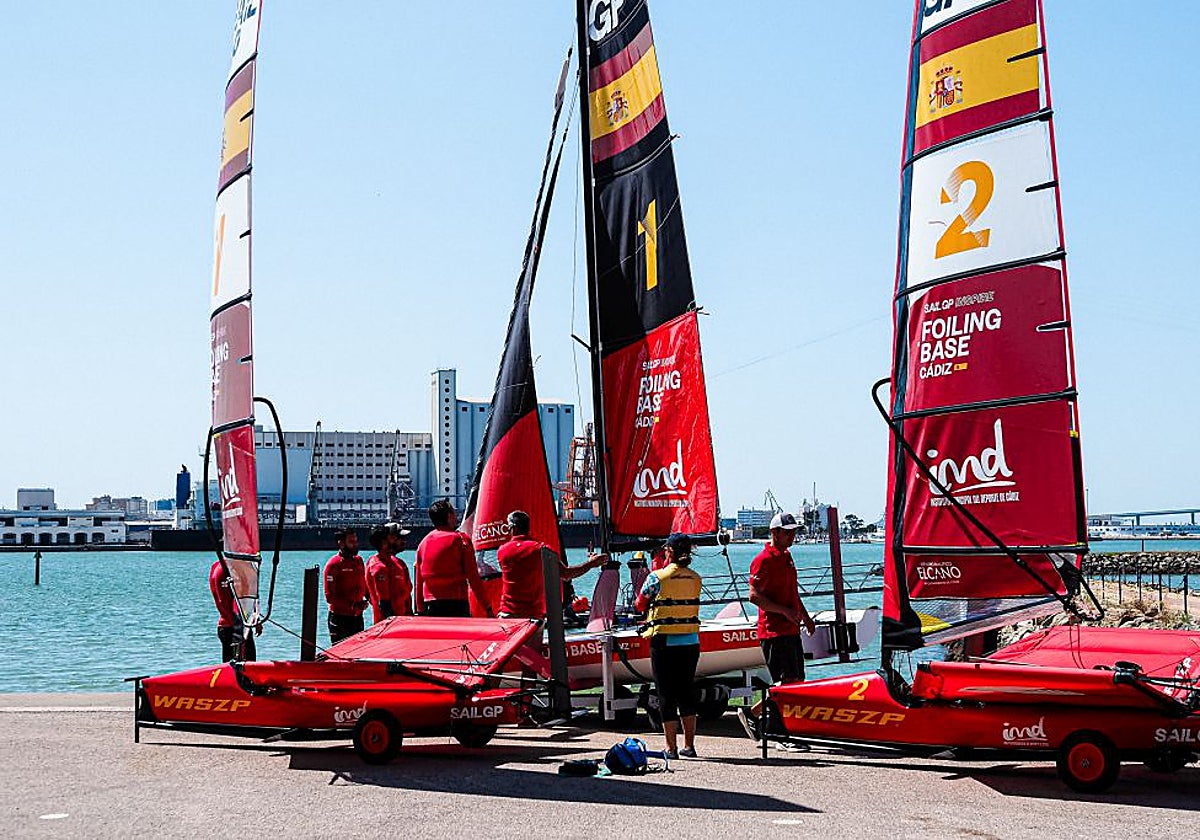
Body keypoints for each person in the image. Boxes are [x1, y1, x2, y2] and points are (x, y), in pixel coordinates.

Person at [738, 512, 818, 741]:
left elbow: (792, 592)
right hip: (773, 631)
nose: (792, 536)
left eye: (794, 532)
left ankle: (752, 714)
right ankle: (776, 733)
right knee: (785, 683)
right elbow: (754, 596)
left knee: (796, 682)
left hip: (790, 630)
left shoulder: (787, 557)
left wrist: (805, 616)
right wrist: (785, 611)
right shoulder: (763, 560)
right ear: (775, 533)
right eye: (788, 532)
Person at [634, 532, 702, 760]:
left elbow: (639, 603)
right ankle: (689, 746)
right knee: (686, 692)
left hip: (664, 641)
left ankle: (671, 749)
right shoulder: (696, 578)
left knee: (666, 694)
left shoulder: (656, 578)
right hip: (691, 641)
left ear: (669, 552)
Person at [496, 510, 606, 619]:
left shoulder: (501, 551)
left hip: (506, 615)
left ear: (513, 528)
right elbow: (567, 574)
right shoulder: (540, 549)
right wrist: (592, 563)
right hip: (531, 617)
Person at [414, 499, 492, 617]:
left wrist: (419, 611)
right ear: (449, 516)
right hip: (456, 603)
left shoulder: (423, 543)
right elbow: (473, 577)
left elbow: (418, 583)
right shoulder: (461, 539)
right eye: (454, 512)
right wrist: (487, 606)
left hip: (430, 605)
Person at [324, 528, 368, 644]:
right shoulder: (333, 565)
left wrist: (369, 599)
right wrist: (353, 605)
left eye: (356, 541)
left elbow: (364, 584)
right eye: (351, 542)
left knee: (358, 651)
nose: (355, 544)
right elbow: (330, 597)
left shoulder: (358, 561)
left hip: (358, 617)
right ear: (341, 543)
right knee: (340, 652)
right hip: (340, 619)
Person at [366, 522, 414, 624]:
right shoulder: (378, 566)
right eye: (396, 538)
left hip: (402, 622)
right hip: (390, 626)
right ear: (384, 542)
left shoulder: (397, 563)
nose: (403, 540)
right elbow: (384, 604)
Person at [209, 558, 256, 662]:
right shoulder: (226, 569)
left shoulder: (223, 566)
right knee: (240, 671)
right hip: (233, 628)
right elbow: (227, 602)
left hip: (235, 626)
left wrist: (254, 615)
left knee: (243, 669)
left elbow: (246, 594)